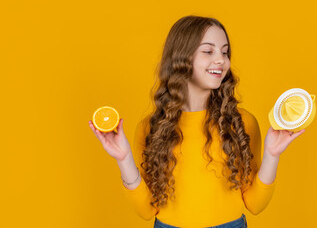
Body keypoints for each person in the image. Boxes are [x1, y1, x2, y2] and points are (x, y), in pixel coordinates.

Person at [89, 15, 305, 228]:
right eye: (208, 51)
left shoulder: (242, 123)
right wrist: (124, 159)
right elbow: (146, 210)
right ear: (182, 58)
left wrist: (272, 155)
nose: (221, 59)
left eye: (225, 51)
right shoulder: (150, 128)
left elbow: (255, 204)